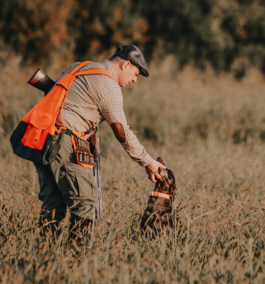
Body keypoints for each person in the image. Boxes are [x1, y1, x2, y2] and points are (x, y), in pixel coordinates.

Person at [34, 44, 166, 242]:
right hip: (65, 144)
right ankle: (77, 260)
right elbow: (122, 132)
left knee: (53, 205)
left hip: (44, 139)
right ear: (126, 65)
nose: (134, 80)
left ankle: (40, 256)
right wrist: (148, 161)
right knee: (86, 205)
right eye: (136, 73)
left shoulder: (79, 66)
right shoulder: (108, 85)